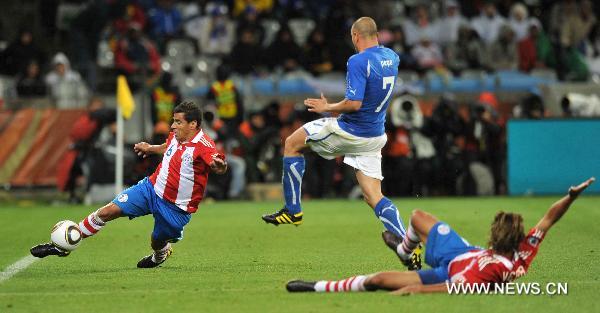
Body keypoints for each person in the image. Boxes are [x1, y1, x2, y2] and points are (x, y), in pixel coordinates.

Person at [260, 17, 421, 269]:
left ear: (356, 35)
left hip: (350, 130)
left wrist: (328, 107)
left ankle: (293, 210)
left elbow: (354, 104)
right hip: (374, 136)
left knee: (292, 143)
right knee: (373, 196)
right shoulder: (392, 57)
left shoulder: (357, 61)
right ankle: (407, 244)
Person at [286, 177, 595, 294]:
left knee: (380, 280)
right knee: (419, 217)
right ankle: (406, 251)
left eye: (496, 231)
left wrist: (417, 291)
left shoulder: (496, 269)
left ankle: (315, 287)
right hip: (461, 251)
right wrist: (570, 197)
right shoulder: (524, 250)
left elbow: (454, 288)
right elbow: (547, 220)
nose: (493, 232)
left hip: (447, 271)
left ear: (501, 240)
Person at [30, 102, 228, 268]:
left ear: (193, 124)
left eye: (178, 122)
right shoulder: (176, 136)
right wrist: (151, 148)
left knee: (157, 241)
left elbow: (216, 162)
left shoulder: (204, 146)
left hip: (175, 208)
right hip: (150, 189)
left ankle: (160, 255)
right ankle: (63, 245)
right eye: (173, 121)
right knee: (107, 212)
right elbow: (169, 146)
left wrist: (219, 166)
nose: (173, 126)